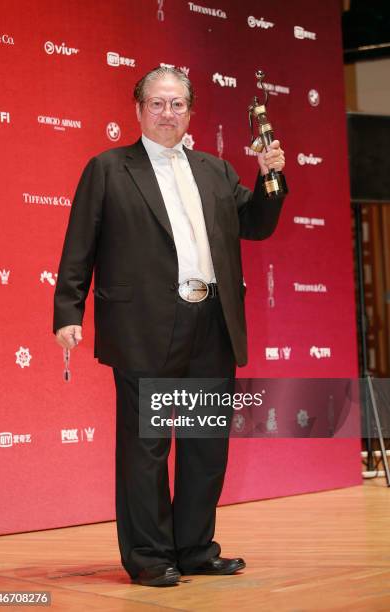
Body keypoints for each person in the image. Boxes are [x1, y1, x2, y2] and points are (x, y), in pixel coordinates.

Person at [53, 66, 286, 587]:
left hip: (212, 323)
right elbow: (79, 245)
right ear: (137, 111)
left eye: (177, 104)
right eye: (156, 104)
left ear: (190, 112)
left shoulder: (216, 170)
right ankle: (150, 556)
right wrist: (69, 309)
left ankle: (195, 548)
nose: (167, 113)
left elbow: (257, 224)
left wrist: (271, 178)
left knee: (206, 446)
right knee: (147, 447)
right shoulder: (109, 169)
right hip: (146, 325)